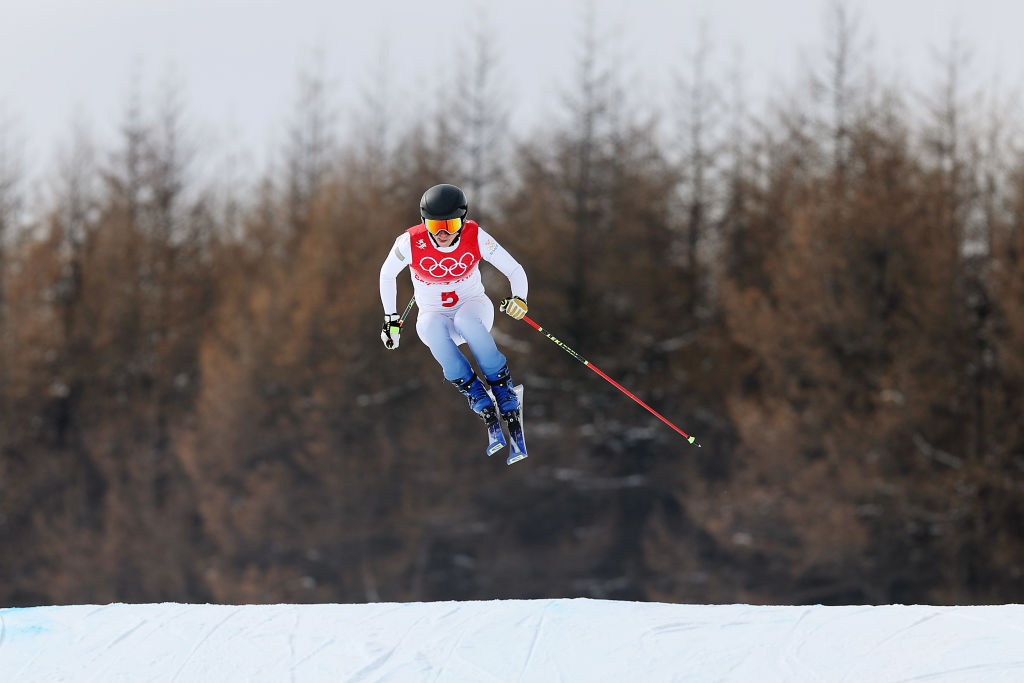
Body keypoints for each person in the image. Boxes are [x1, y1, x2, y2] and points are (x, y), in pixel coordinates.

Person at [379, 184, 529, 422]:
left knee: (465, 319)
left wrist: (519, 298)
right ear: (424, 222)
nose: (442, 234)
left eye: (450, 225)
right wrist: (391, 320)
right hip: (435, 315)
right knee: (429, 328)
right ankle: (474, 391)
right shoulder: (409, 242)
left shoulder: (475, 236)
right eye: (435, 226)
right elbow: (387, 275)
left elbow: (514, 269)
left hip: (474, 307)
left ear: (462, 220)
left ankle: (502, 386)